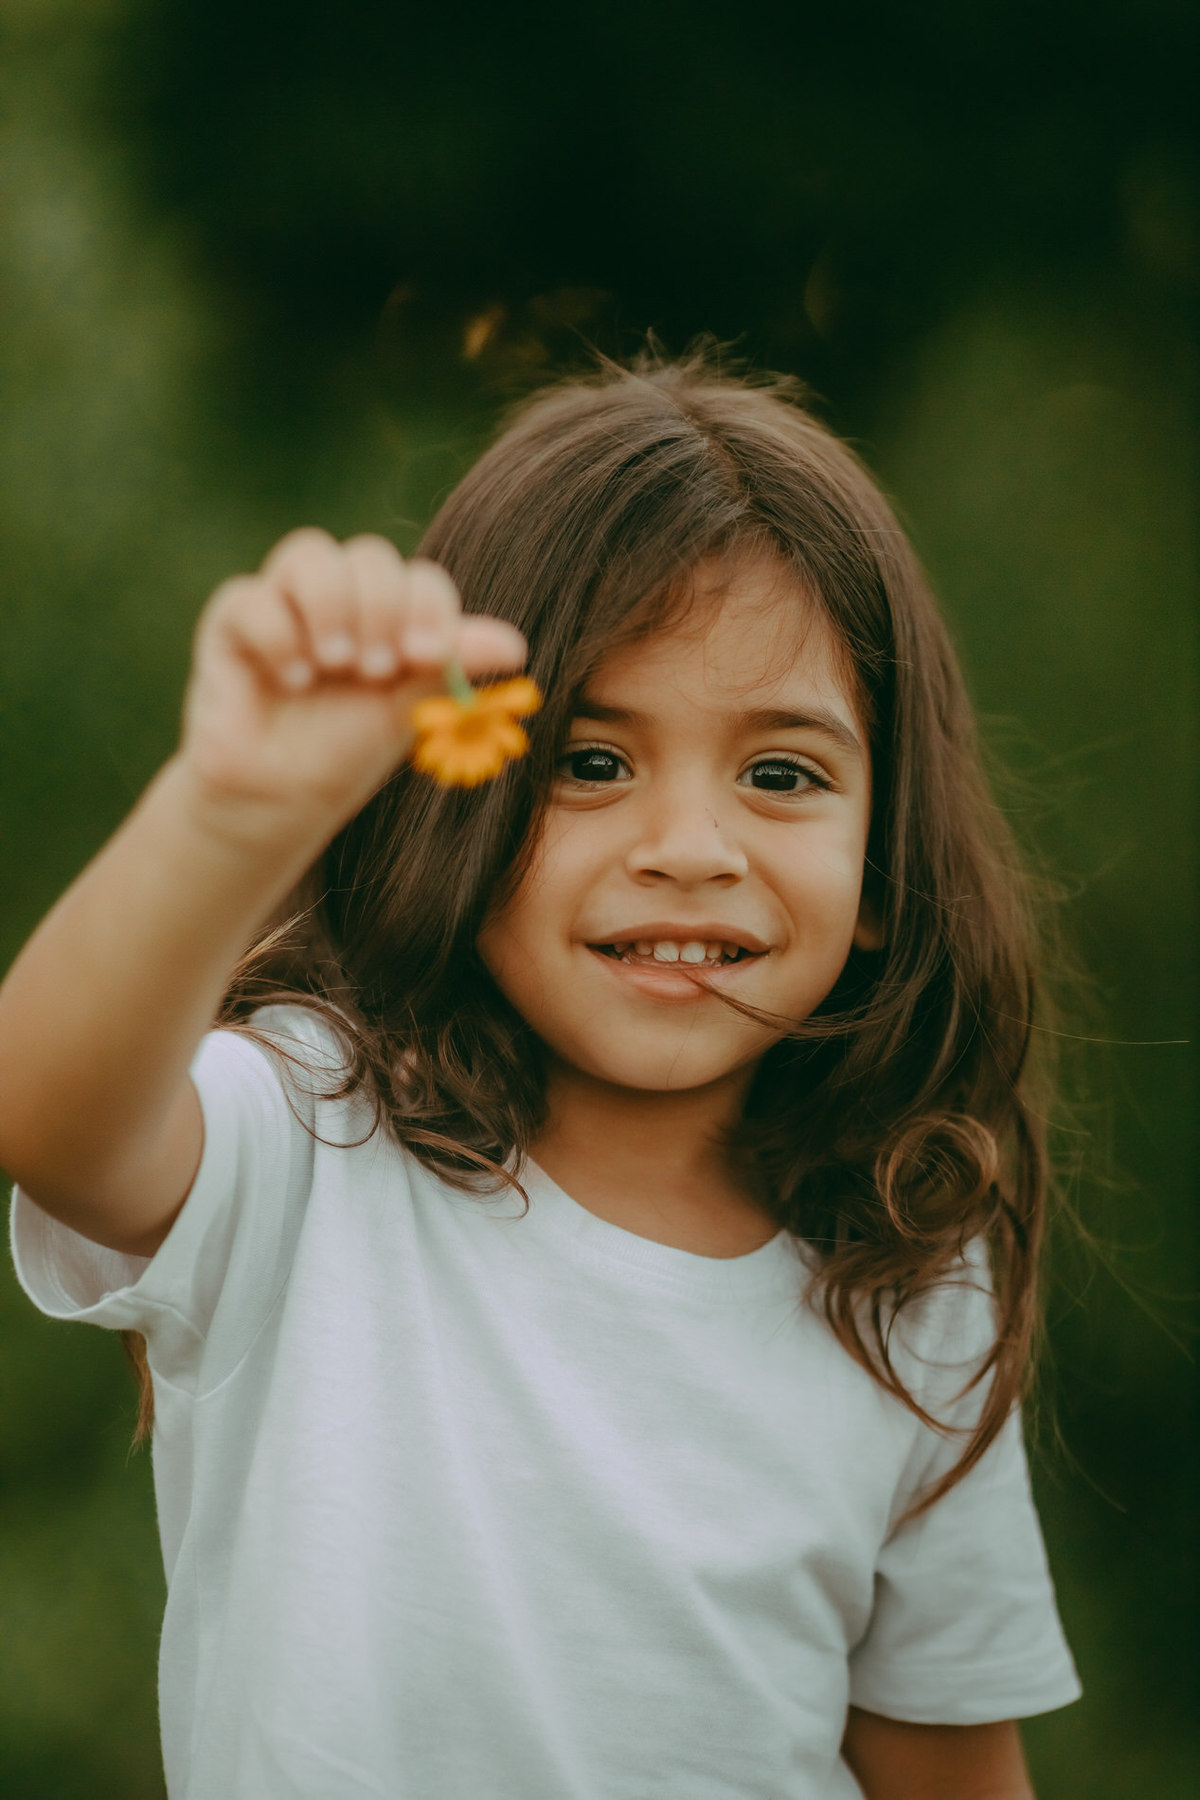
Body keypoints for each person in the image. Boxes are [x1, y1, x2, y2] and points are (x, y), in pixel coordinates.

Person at [0, 352, 1081, 1798]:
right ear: (459, 800)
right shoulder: (314, 1140)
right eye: (586, 759)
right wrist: (230, 809)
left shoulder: (907, 1273)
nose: (690, 845)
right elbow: (46, 1112)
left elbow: (951, 1772)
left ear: (885, 869)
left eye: (781, 774)